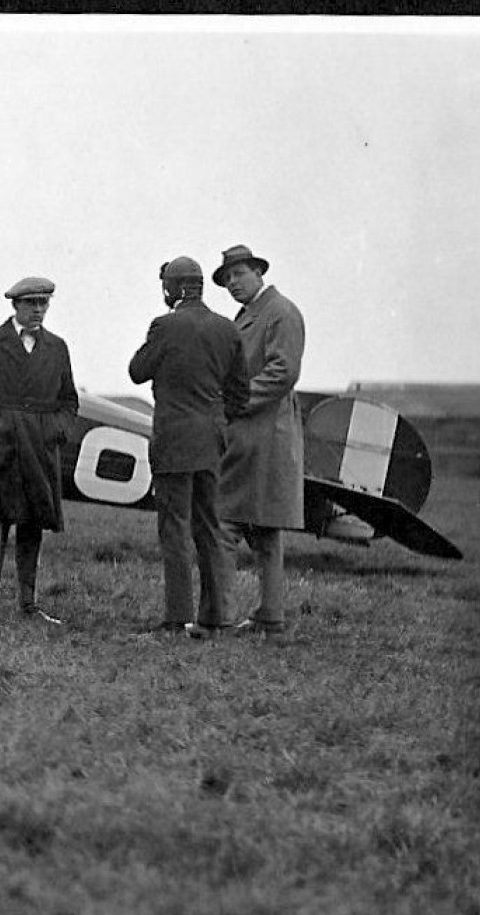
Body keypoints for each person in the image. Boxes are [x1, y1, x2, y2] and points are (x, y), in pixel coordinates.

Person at [128, 256, 249, 638]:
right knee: (210, 527)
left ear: (175, 288)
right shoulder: (227, 329)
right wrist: (215, 421)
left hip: (174, 442)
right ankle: (215, 617)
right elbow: (240, 394)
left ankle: (177, 618)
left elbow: (136, 371)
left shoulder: (164, 326)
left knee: (174, 528)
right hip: (211, 441)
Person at [0, 276, 79, 624]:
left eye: (43, 303)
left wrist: (54, 430)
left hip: (39, 446)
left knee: (33, 521)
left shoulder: (57, 347)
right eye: (31, 303)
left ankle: (29, 603)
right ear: (15, 305)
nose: (38, 310)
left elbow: (69, 401)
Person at [212, 244, 306, 636]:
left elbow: (283, 373)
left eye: (239, 274)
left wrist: (232, 404)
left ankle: (217, 617)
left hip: (260, 432)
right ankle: (271, 616)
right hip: (262, 433)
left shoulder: (280, 312)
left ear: (258, 272)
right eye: (227, 278)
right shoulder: (253, 314)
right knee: (265, 529)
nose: (233, 283)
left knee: (224, 522)